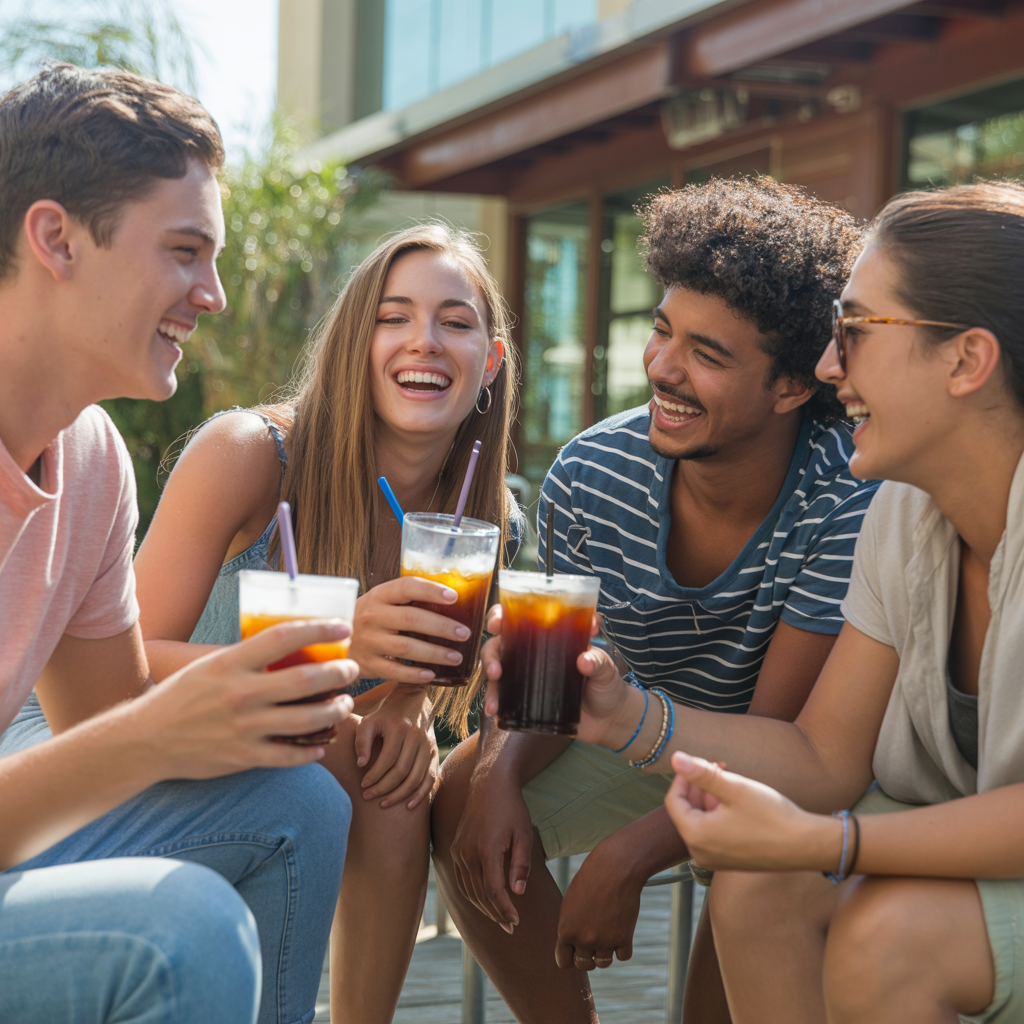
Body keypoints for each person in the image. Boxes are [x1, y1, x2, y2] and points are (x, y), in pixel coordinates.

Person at [519, 180, 1024, 1024]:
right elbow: (825, 758)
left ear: (967, 360)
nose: (830, 367)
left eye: (855, 332)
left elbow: (829, 805)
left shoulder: (854, 499)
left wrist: (831, 841)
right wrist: (622, 716)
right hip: (936, 840)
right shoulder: (902, 514)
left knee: (885, 935)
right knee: (760, 884)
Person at [432, 176, 879, 1023]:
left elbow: (780, 747)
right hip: (634, 733)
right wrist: (494, 772)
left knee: (754, 875)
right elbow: (541, 676)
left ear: (791, 387)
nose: (663, 370)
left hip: (784, 768)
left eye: (708, 356)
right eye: (662, 331)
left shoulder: (842, 499)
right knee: (460, 790)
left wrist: (631, 855)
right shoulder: (590, 472)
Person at [0, 64, 356, 1024]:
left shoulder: (92, 459)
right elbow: (126, 741)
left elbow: (101, 720)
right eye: (187, 251)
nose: (216, 295)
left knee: (301, 802)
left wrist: (253, 699)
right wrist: (158, 729)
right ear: (55, 238)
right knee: (179, 927)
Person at [133, 222, 522, 1024]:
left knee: (390, 775)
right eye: (394, 316)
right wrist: (337, 635)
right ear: (355, 343)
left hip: (301, 764)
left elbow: (408, 675)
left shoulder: (484, 523)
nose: (425, 341)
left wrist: (407, 705)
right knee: (348, 751)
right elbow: (119, 664)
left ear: (490, 363)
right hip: (144, 753)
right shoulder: (251, 453)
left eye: (455, 321)